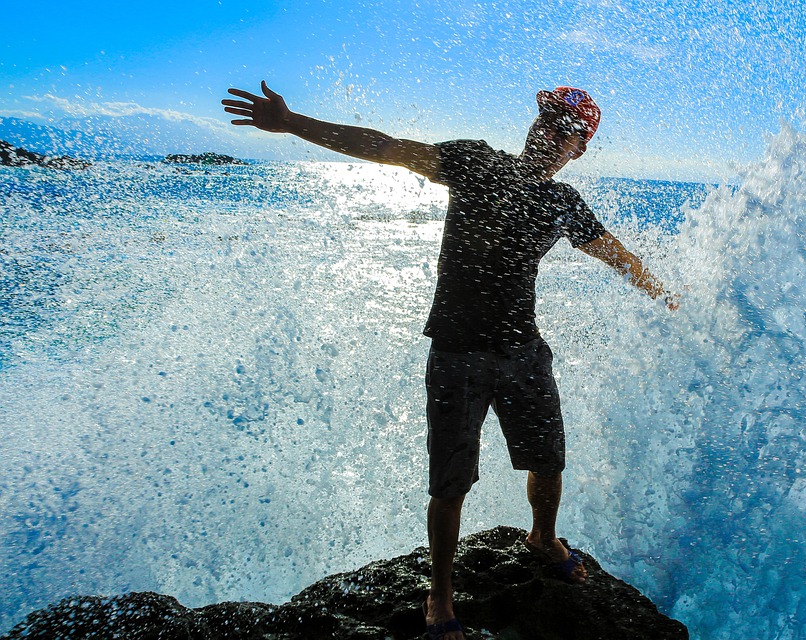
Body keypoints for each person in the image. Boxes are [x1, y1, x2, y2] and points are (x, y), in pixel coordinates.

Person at [223, 81, 678, 640]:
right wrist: (295, 124)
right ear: (532, 125)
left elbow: (617, 255)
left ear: (578, 150)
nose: (550, 135)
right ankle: (439, 597)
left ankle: (543, 536)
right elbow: (384, 145)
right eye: (546, 122)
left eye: (566, 132)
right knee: (450, 483)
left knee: (549, 459)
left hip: (524, 351)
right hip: (458, 352)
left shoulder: (563, 204)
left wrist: (667, 297)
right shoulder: (475, 161)